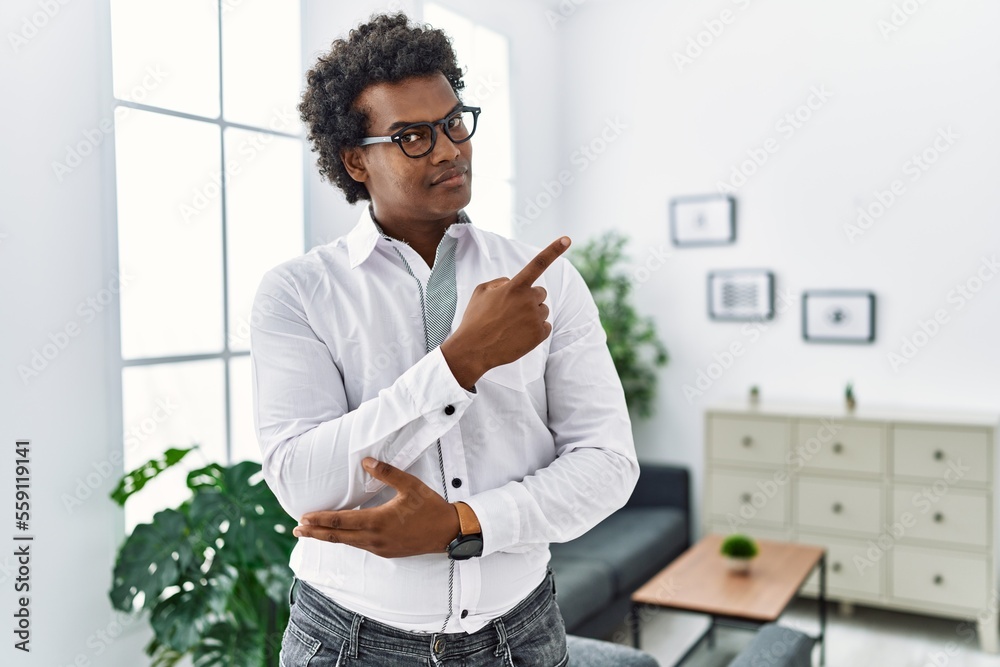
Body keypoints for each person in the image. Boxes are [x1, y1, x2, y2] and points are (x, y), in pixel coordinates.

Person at [250, 12, 654, 667]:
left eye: (453, 122)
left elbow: (608, 465)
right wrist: (460, 362)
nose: (447, 150)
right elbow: (303, 483)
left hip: (522, 631)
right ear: (355, 159)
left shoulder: (546, 278)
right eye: (411, 136)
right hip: (351, 641)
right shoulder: (298, 293)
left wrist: (466, 523)